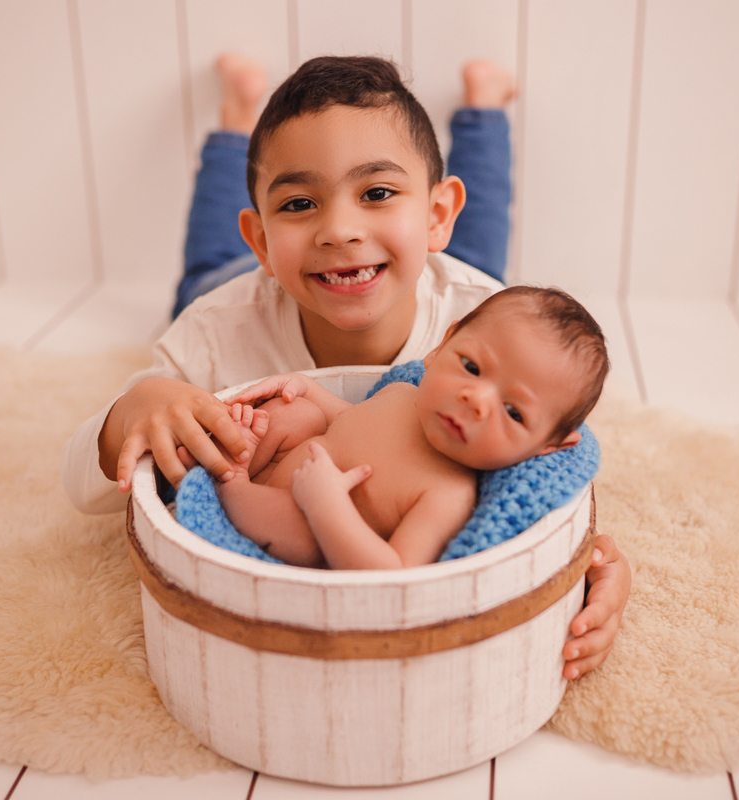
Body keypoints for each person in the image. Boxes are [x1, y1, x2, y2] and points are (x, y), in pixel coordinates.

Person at [61, 54, 629, 680]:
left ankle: (486, 108)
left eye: (377, 193)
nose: (339, 229)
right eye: (300, 203)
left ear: (437, 214)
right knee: (203, 265)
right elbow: (80, 487)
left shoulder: (484, 335)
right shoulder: (213, 332)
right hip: (244, 282)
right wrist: (136, 407)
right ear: (263, 242)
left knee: (484, 247)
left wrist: (596, 566)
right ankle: (234, 120)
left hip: (442, 273)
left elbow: (551, 473)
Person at [208, 287, 608, 570]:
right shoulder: (402, 394)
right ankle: (232, 452)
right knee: (298, 414)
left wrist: (325, 505)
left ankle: (229, 486)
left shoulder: (448, 494)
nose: (476, 400)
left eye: (514, 412)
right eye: (471, 367)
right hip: (283, 466)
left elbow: (394, 570)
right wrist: (306, 387)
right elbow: (346, 419)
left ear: (549, 446)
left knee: (303, 533)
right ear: (440, 347)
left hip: (307, 522)